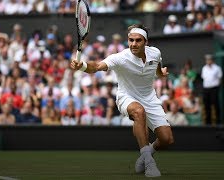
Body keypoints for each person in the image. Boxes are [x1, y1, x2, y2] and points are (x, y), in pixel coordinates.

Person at [70, 24, 174, 177]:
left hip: (150, 98)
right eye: (131, 40)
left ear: (146, 41)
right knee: (139, 112)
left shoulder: (155, 53)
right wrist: (83, 66)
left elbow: (157, 68)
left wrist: (161, 73)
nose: (133, 44)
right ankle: (149, 162)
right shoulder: (120, 58)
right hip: (127, 97)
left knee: (166, 140)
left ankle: (146, 155)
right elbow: (97, 66)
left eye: (138, 40)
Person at [201, 54, 222, 125]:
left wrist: (216, 86)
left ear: (212, 60)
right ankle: (208, 122)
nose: (208, 61)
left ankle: (218, 121)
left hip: (214, 89)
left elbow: (220, 78)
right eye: (207, 60)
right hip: (206, 89)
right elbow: (204, 78)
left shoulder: (217, 68)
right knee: (207, 105)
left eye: (209, 59)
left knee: (215, 104)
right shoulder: (204, 68)